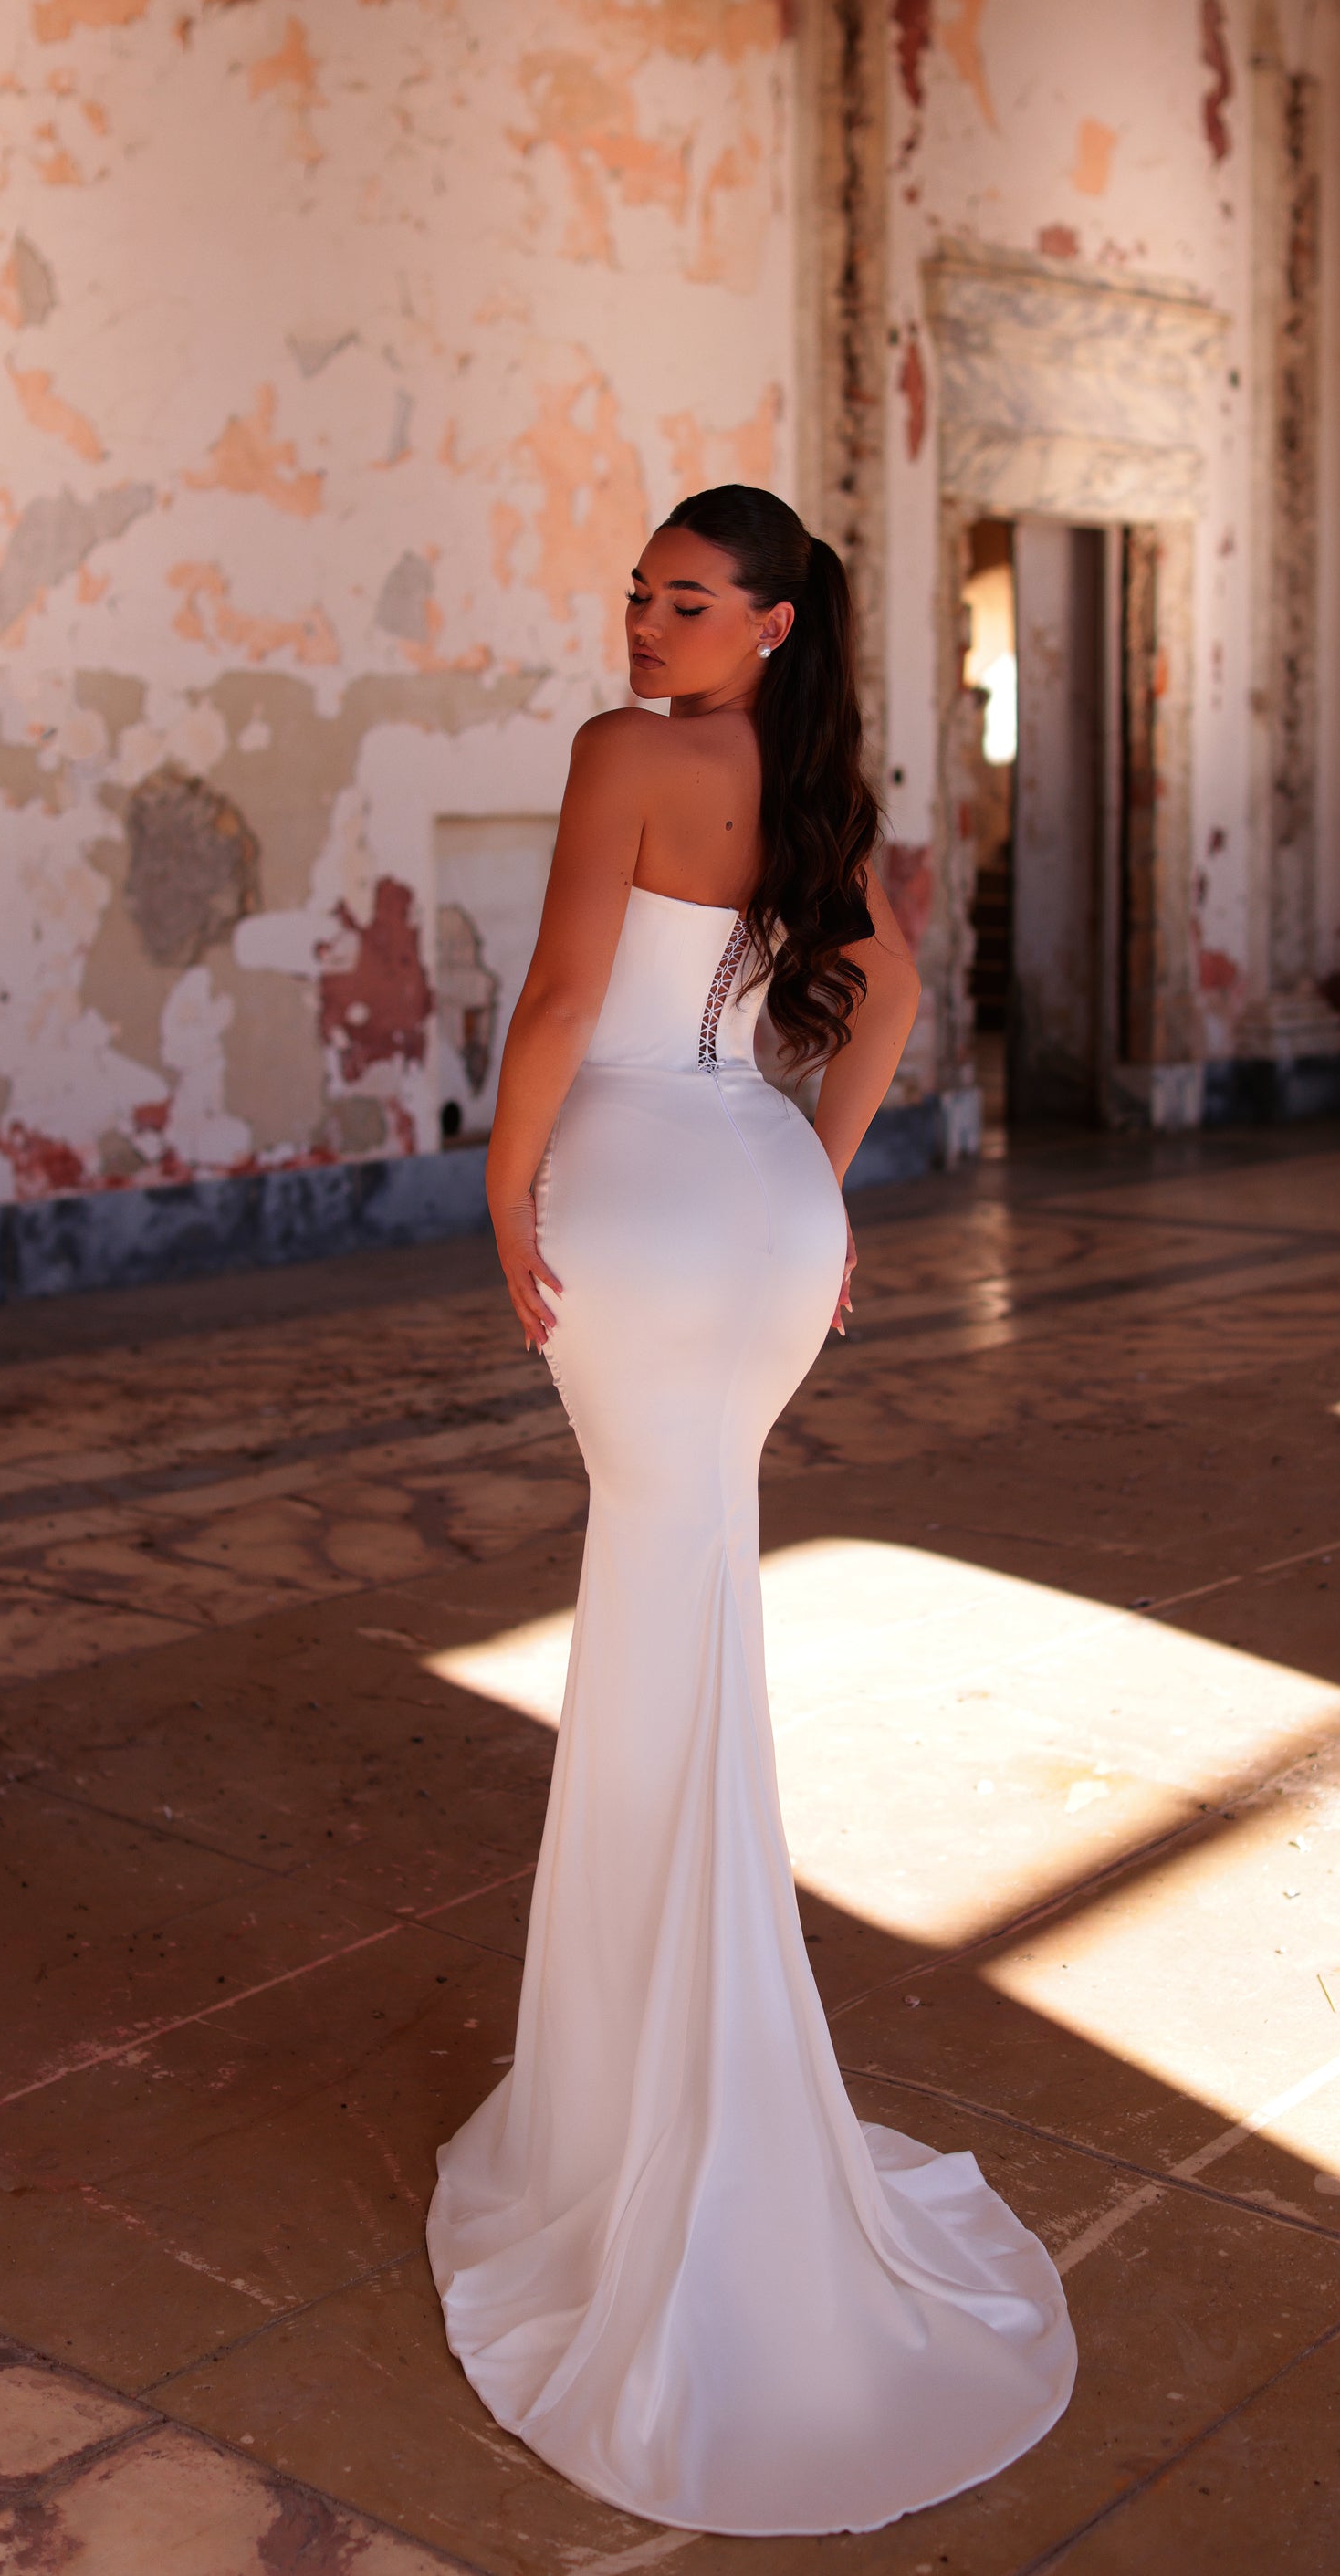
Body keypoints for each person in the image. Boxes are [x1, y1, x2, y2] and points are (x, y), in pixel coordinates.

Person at [427, 486, 1074, 2536]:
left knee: (661, 1590)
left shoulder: (622, 758)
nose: (643, 625)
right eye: (634, 593)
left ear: (769, 620)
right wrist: (819, 1163)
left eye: (686, 600)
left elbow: (552, 1006)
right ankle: (675, 2073)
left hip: (630, 1193)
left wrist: (497, 1190)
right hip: (766, 1208)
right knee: (682, 1589)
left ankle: (656, 2110)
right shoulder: (803, 788)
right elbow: (880, 1000)